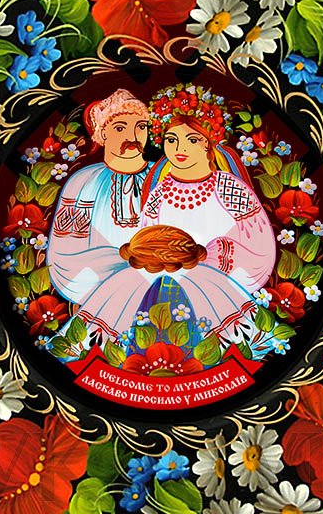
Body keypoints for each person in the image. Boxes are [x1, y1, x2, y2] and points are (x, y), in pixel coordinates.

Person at [82, 84, 277, 344]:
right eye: (172, 140)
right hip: (157, 282)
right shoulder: (159, 192)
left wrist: (210, 256)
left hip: (215, 281)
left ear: (209, 144)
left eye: (192, 140)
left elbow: (260, 249)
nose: (179, 149)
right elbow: (150, 241)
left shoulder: (228, 188)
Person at [45, 89, 154, 337]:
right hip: (98, 283)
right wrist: (126, 270)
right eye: (120, 128)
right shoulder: (83, 182)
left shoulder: (164, 176)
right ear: (102, 133)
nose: (132, 137)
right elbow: (66, 253)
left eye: (140, 127)